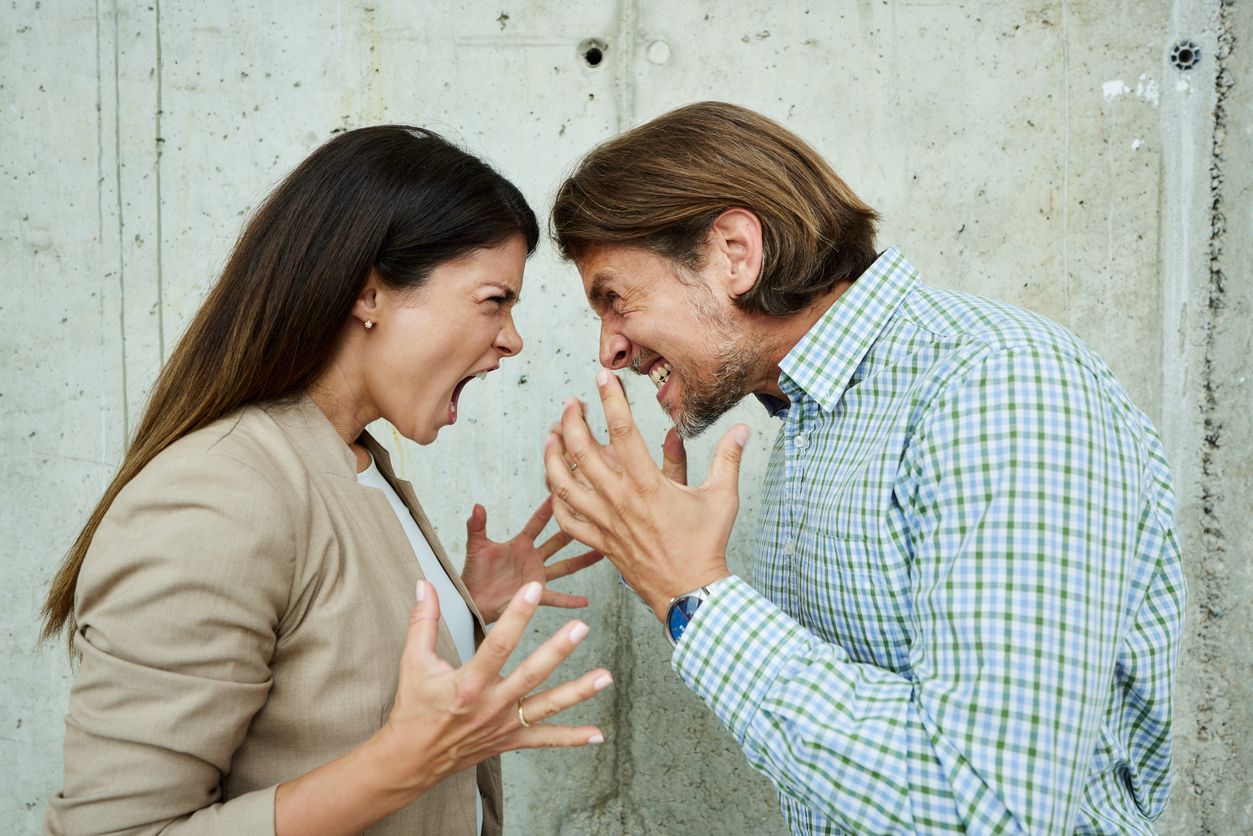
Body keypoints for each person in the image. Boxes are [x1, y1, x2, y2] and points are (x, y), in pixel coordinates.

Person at [542, 102, 1186, 834]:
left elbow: (989, 812)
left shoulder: (998, 382)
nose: (609, 351)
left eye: (615, 299)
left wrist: (692, 594)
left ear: (733, 251)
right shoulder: (815, 416)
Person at [41, 125, 611, 836]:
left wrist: (462, 613)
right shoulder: (218, 495)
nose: (511, 339)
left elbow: (326, 677)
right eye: (494, 300)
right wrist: (398, 767)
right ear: (368, 293)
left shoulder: (352, 460)